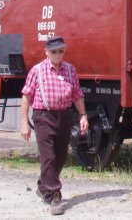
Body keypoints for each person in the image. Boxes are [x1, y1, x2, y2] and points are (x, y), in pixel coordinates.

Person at [21, 36, 89, 215]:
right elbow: (26, 96)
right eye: (54, 52)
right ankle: (54, 195)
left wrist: (83, 115)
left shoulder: (70, 70)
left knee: (61, 155)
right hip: (43, 116)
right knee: (48, 156)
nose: (58, 55)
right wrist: (24, 123)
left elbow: (77, 94)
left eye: (61, 51)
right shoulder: (37, 70)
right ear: (46, 52)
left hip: (64, 115)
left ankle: (43, 186)